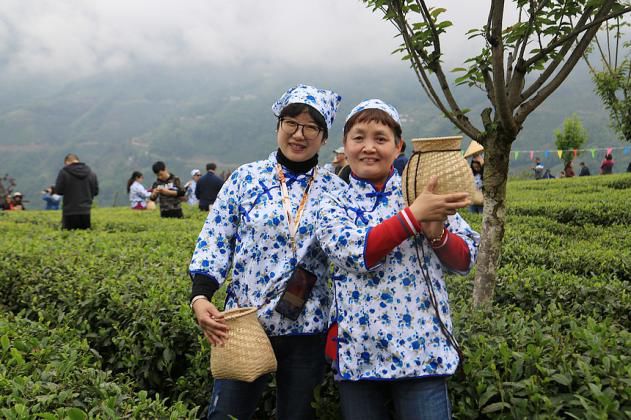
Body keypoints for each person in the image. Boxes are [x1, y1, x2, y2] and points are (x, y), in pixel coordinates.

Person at [188, 84, 344, 420]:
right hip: (245, 323)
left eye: (311, 127)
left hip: (308, 326)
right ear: (278, 126)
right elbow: (216, 238)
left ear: (323, 137)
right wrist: (201, 296)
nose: (299, 134)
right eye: (291, 123)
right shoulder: (245, 179)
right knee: (226, 414)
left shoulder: (335, 189)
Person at [316, 99, 479, 420]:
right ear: (345, 145)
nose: (369, 147)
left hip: (423, 351)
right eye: (358, 138)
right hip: (359, 352)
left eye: (380, 138)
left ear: (398, 146)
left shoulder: (420, 191)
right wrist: (413, 217)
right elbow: (356, 252)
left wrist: (437, 234)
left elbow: (465, 260)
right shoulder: (333, 200)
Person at [55, 153, 99, 230]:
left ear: (67, 162)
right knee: (85, 235)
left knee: (68, 236)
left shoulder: (64, 172)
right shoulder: (91, 173)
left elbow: (58, 191)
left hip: (69, 211)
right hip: (86, 211)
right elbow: (95, 192)